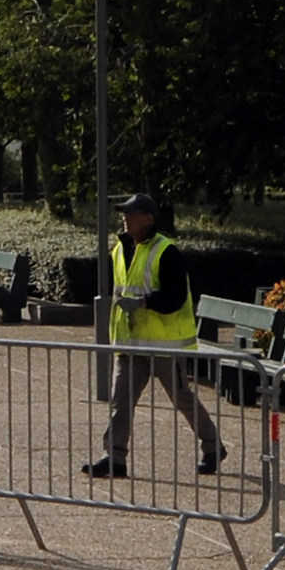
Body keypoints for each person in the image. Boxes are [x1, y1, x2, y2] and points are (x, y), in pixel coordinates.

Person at [85, 194, 224, 479]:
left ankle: (212, 446)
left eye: (131, 213)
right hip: (130, 342)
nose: (125, 217)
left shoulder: (166, 251)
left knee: (182, 400)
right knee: (120, 400)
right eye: (124, 213)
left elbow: (176, 296)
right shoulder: (120, 250)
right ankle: (114, 457)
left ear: (148, 219)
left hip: (164, 346)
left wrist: (144, 302)